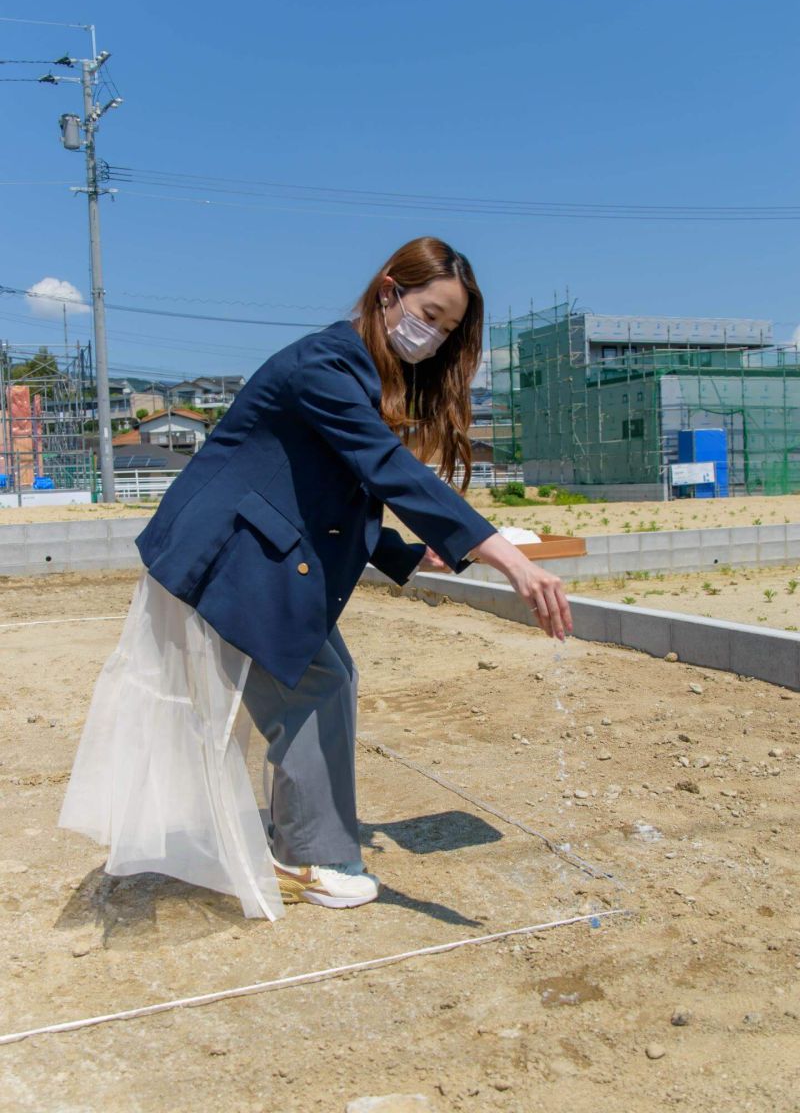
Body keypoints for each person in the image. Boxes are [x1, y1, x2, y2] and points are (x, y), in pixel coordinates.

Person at [58, 237, 572, 919]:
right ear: (388, 290)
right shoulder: (324, 365)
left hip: (259, 557)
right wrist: (505, 558)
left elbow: (335, 495)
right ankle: (310, 855)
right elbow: (387, 468)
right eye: (431, 313)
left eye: (448, 330)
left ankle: (299, 837)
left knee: (327, 678)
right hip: (230, 561)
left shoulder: (357, 372)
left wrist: (409, 555)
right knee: (316, 684)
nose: (435, 337)